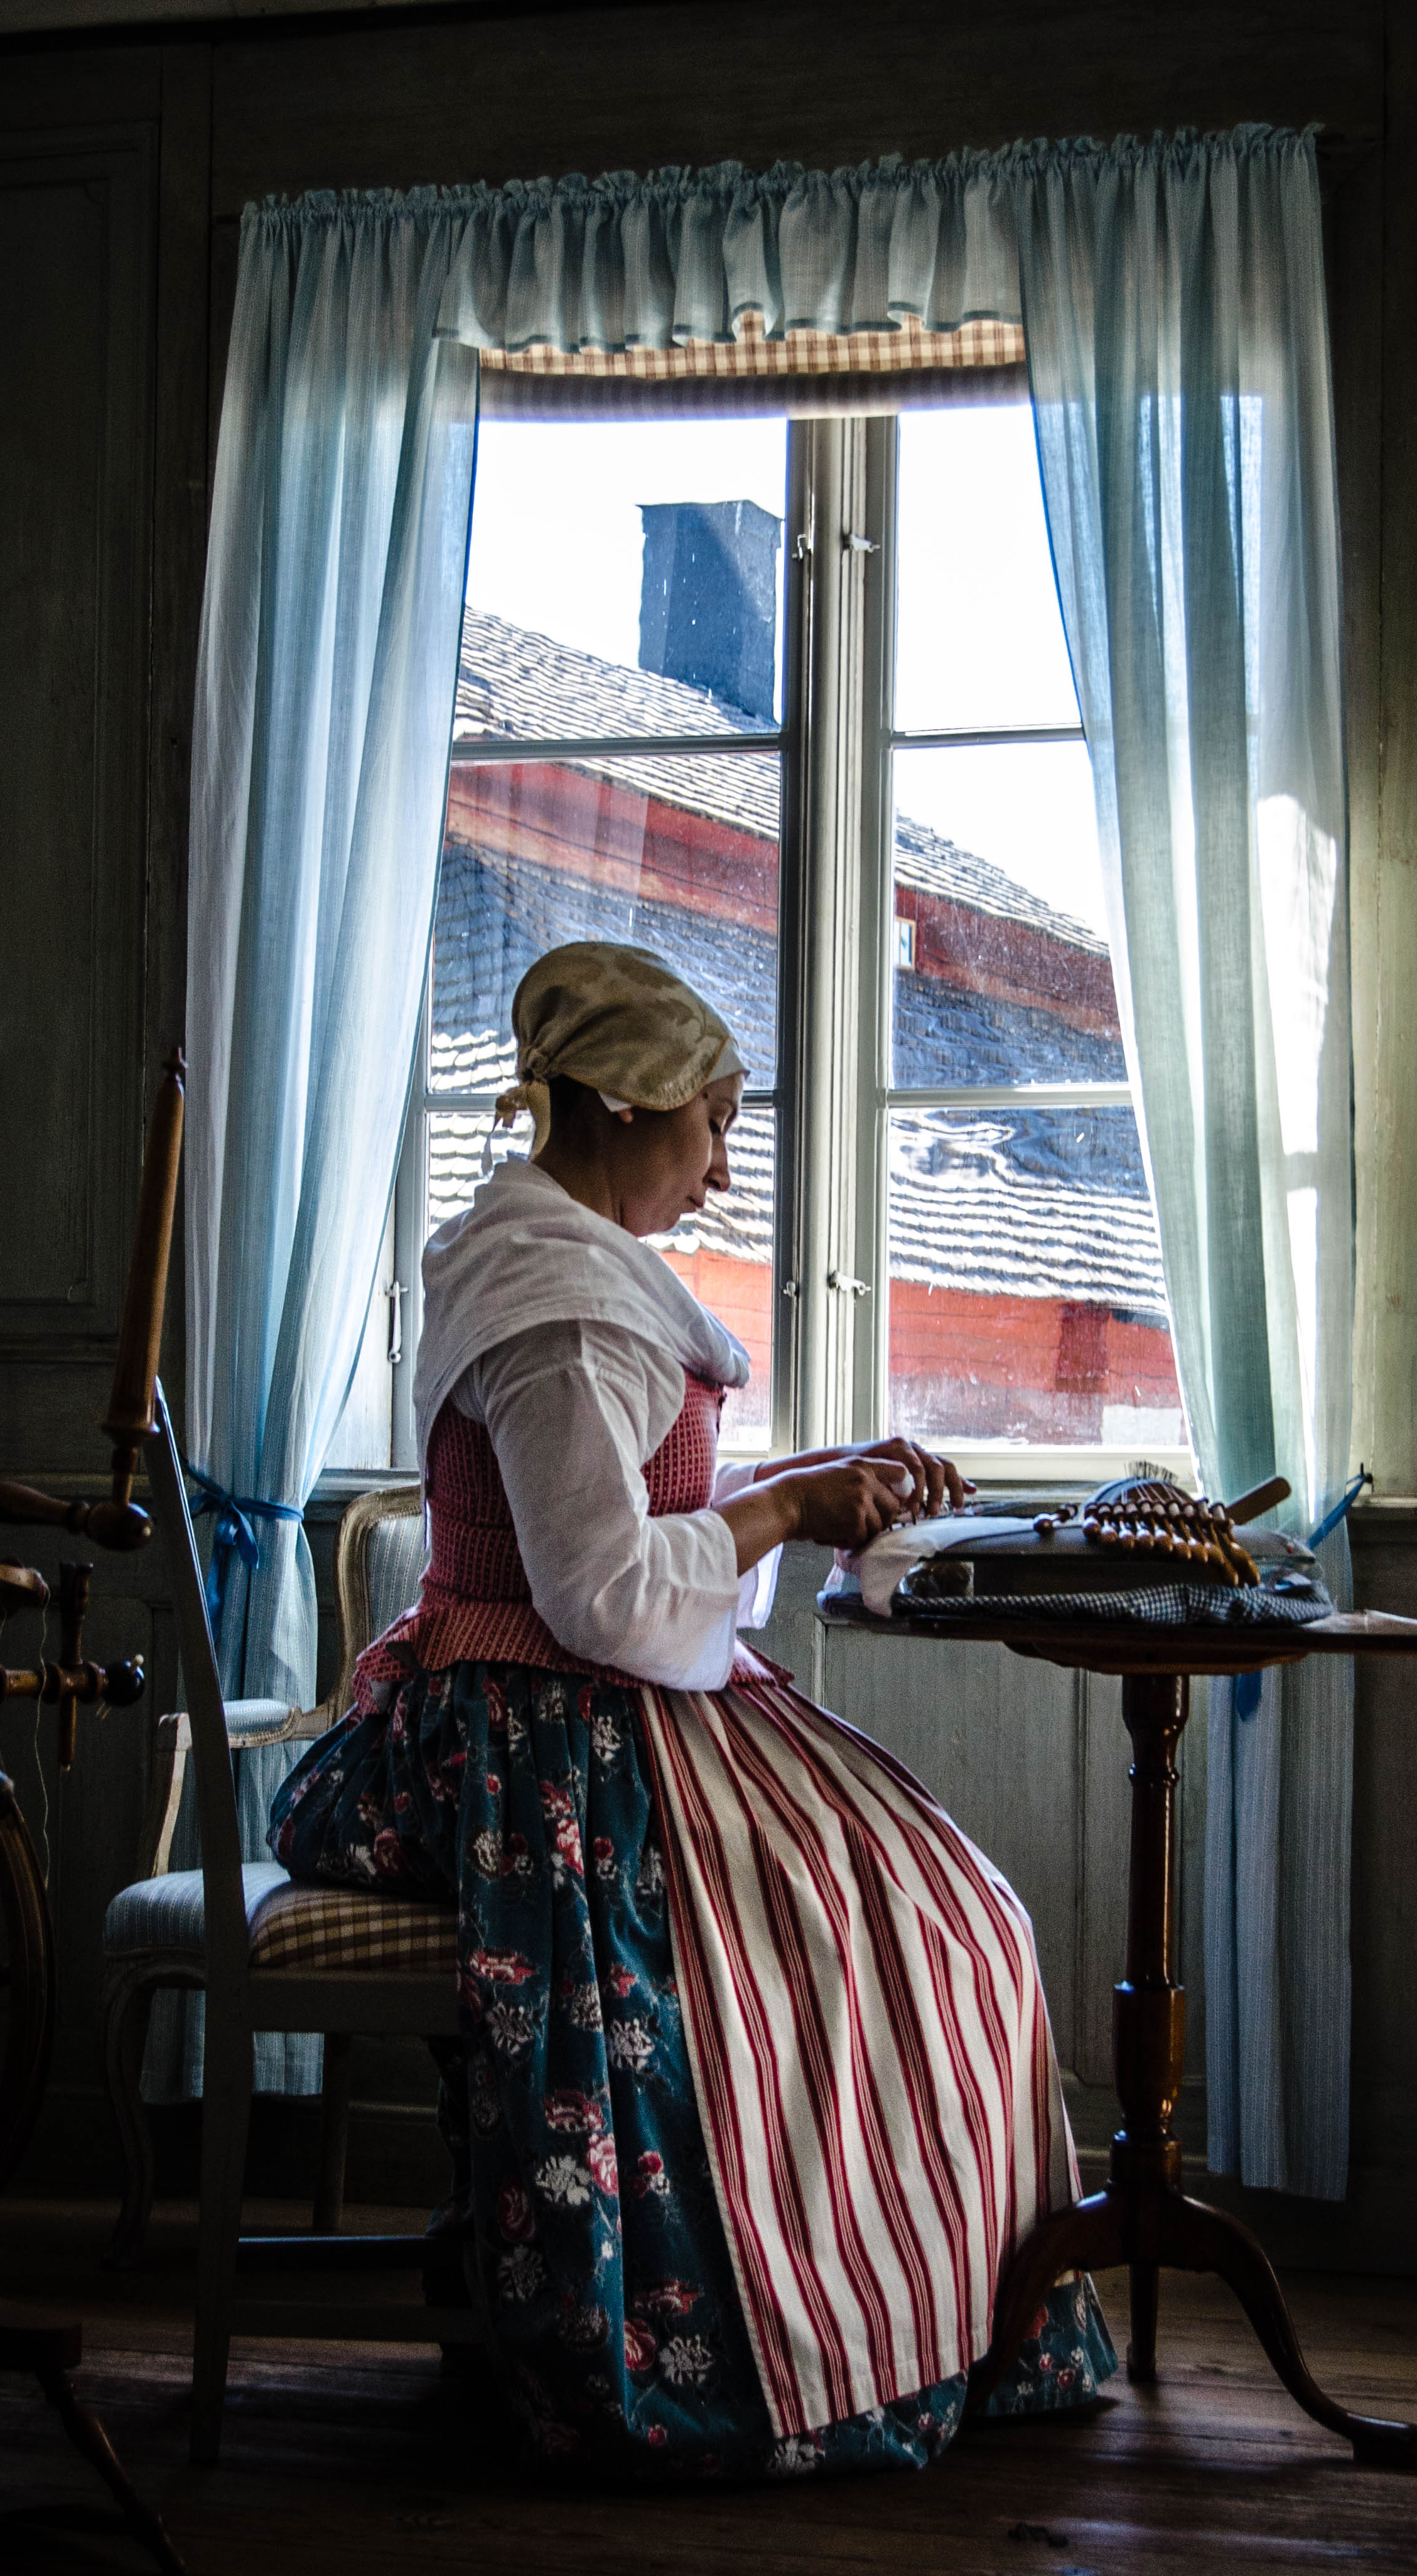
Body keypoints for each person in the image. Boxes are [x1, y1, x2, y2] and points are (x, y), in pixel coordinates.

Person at [270, 940, 1114, 2479]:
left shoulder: (558, 1267)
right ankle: (783, 2337)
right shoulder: (561, 1307)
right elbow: (599, 1592)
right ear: (619, 1101)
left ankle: (908, 2300)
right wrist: (784, 1511)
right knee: (900, 1926)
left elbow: (624, 1523)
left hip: (569, 1695)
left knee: (952, 1911)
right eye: (714, 1122)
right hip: (531, 1726)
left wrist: (798, 1481)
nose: (724, 1169)